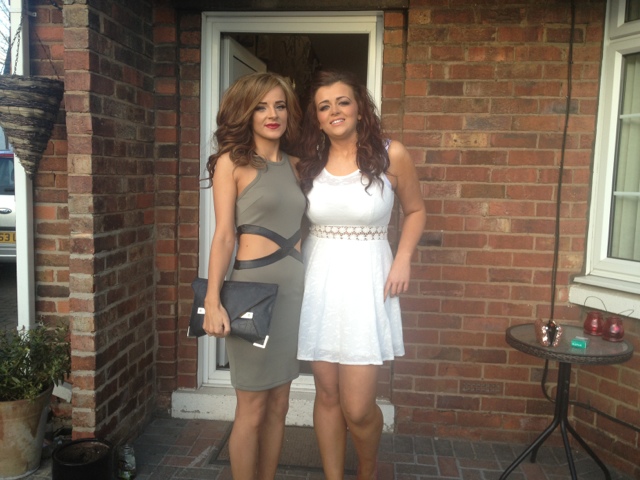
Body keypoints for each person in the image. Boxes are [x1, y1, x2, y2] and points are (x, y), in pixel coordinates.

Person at [296, 70, 427, 480]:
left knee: (357, 407)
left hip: (367, 283)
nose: (334, 111)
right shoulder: (308, 163)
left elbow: (416, 210)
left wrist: (403, 258)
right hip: (319, 283)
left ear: (359, 107)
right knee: (327, 394)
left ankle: (366, 472)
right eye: (324, 106)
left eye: (343, 101)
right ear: (317, 118)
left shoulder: (391, 154)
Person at [202, 72, 305, 480]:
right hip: (252, 296)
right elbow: (224, 236)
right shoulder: (232, 162)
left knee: (280, 404)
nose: (272, 114)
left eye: (279, 105)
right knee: (252, 407)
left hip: (295, 295)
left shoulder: (297, 166)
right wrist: (212, 300)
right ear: (246, 112)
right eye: (261, 106)